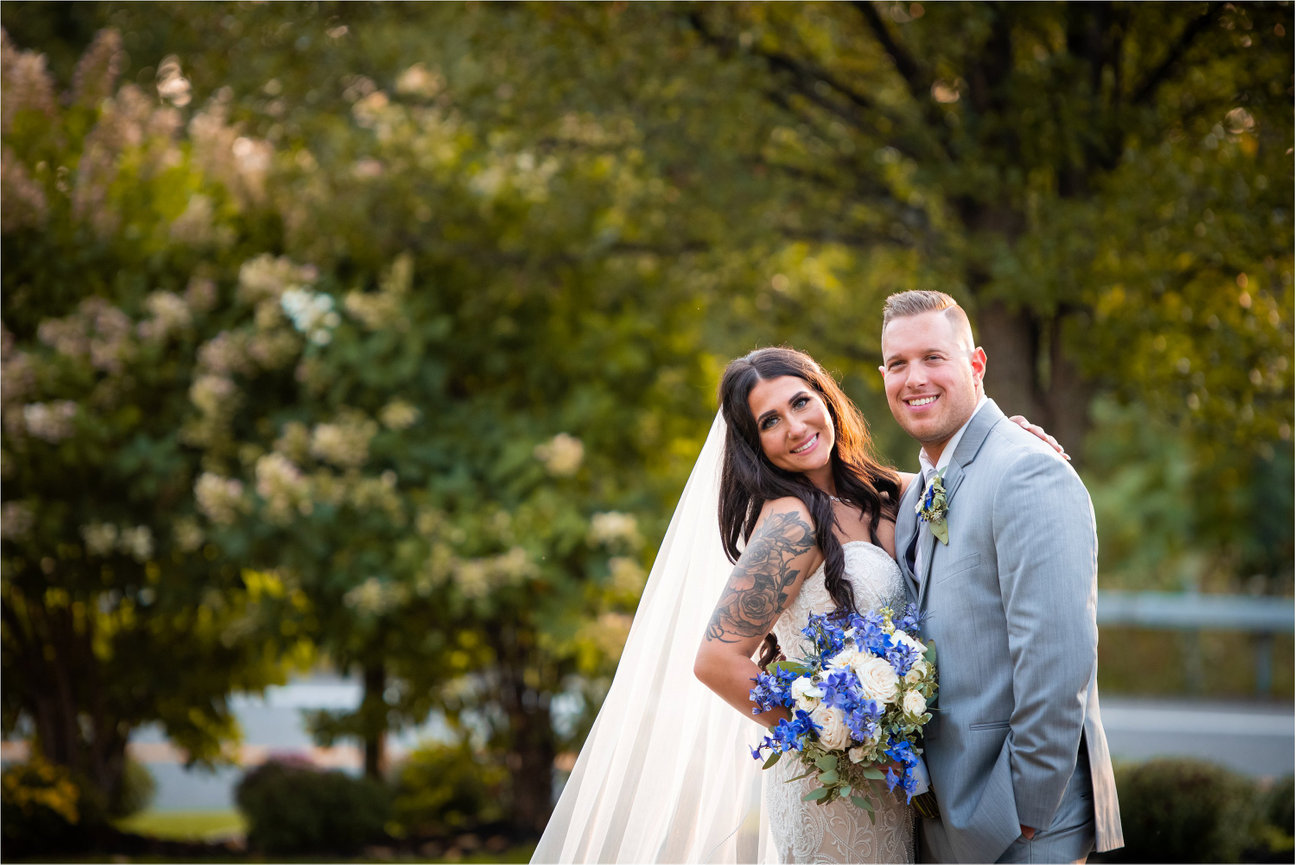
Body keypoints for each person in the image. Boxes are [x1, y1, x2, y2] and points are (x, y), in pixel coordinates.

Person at [530, 346, 1064, 865]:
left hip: (898, 780)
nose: (794, 427)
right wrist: (838, 732)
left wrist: (1010, 440)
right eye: (769, 422)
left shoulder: (890, 493)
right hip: (836, 788)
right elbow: (716, 661)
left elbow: (970, 476)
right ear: (754, 444)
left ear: (827, 400)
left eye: (801, 402)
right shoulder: (790, 522)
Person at [878, 290, 1124, 863]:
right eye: (897, 364)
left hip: (1019, 828)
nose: (914, 378)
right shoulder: (918, 492)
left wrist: (1026, 813)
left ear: (976, 365)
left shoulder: (1028, 471)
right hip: (950, 819)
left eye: (933, 357)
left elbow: (1058, 662)